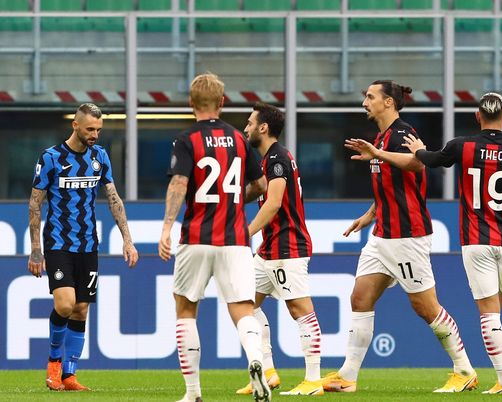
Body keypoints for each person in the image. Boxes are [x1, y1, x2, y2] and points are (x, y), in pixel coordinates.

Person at [320, 80, 478, 394]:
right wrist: (369, 215)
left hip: (408, 235)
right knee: (360, 297)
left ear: (389, 102)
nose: (364, 102)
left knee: (426, 308)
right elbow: (389, 188)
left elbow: (418, 163)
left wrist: (377, 152)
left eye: (370, 97)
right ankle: (347, 377)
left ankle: (464, 370)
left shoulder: (404, 133)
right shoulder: (380, 137)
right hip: (382, 236)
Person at [403, 95, 502, 394]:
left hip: (476, 241)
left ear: (477, 116)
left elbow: (434, 160)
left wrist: (419, 150)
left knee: (489, 311)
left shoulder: (462, 146)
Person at [158, 72, 270, 402]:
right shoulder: (238, 138)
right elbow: (261, 186)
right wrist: (234, 199)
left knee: (185, 310)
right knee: (243, 310)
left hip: (196, 236)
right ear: (222, 102)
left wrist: (166, 227)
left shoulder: (186, 139)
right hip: (234, 238)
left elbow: (179, 184)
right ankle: (255, 361)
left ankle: (193, 393)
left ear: (190, 103)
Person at [28, 103, 139, 391]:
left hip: (89, 244)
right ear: (75, 125)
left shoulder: (100, 157)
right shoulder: (51, 157)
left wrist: (127, 239)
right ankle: (53, 364)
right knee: (64, 304)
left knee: (80, 310)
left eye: (99, 130)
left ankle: (69, 375)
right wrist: (36, 249)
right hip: (59, 243)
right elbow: (35, 203)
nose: (95, 135)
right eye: (90, 129)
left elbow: (113, 198)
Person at [234, 102, 324, 396]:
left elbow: (273, 203)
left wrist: (245, 233)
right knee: (246, 304)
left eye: (250, 123)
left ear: (263, 127)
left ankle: (313, 380)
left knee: (300, 310)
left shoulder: (276, 159)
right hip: (269, 248)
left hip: (288, 246)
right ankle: (269, 372)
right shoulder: (269, 158)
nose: (246, 128)